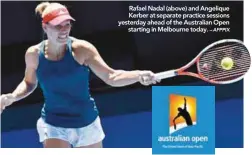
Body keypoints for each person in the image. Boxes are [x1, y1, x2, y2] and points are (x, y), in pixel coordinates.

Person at [0, 2, 160, 148]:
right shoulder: (33, 54)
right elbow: (29, 83)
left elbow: (111, 77)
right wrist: (12, 97)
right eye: (57, 26)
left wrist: (138, 75)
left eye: (67, 24)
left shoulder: (82, 49)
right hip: (53, 123)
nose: (64, 30)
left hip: (86, 122)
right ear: (45, 27)